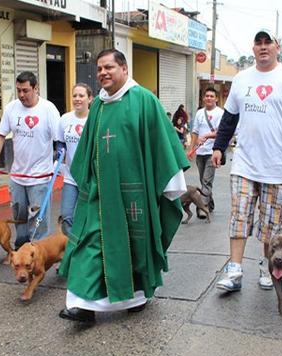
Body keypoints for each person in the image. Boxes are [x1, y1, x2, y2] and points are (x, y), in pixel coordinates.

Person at [57, 49, 190, 323]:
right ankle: (84, 304)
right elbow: (88, 147)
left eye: (109, 67)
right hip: (100, 192)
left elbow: (162, 141)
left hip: (135, 192)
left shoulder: (143, 100)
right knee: (89, 242)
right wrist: (84, 180)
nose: (103, 73)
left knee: (134, 246)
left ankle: (137, 296)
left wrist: (171, 183)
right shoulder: (99, 106)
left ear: (124, 69)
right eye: (99, 69)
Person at [211, 29, 282, 292]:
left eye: (268, 42)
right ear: (253, 48)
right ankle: (234, 271)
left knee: (272, 226)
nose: (263, 46)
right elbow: (230, 117)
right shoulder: (242, 79)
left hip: (277, 167)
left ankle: (267, 266)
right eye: (259, 42)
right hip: (245, 162)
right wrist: (219, 146)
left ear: (278, 47)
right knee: (239, 216)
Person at [0, 71, 61, 248]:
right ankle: (21, 246)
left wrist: (60, 160)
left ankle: (38, 249)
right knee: (19, 214)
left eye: (26, 90)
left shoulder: (48, 109)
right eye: (19, 90)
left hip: (40, 176)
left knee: (38, 215)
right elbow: (0, 134)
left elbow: (60, 140)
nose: (21, 95)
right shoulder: (12, 108)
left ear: (36, 88)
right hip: (17, 175)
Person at [55, 83, 92, 235]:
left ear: (90, 99)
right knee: (67, 215)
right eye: (74, 95)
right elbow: (60, 143)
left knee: (89, 217)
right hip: (70, 177)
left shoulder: (95, 119)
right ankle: (71, 249)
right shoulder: (65, 119)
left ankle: (87, 249)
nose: (77, 99)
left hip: (90, 178)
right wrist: (58, 157)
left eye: (81, 96)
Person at [188, 87, 224, 217]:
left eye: (211, 96)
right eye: (207, 96)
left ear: (216, 99)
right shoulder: (199, 113)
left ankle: (202, 208)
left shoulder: (220, 113)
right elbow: (195, 132)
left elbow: (222, 132)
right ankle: (210, 203)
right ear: (203, 98)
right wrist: (191, 149)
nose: (209, 98)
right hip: (200, 152)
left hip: (212, 152)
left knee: (207, 180)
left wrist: (208, 135)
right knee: (203, 180)